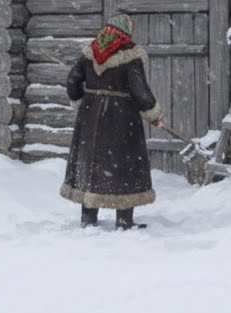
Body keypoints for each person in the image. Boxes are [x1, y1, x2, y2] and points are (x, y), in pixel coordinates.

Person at [61, 14, 164, 230]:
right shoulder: (130, 55)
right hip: (121, 119)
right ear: (125, 32)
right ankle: (124, 220)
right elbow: (139, 90)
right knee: (124, 164)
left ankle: (88, 218)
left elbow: (72, 81)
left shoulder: (90, 52)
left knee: (92, 163)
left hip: (89, 117)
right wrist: (153, 115)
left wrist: (83, 101)